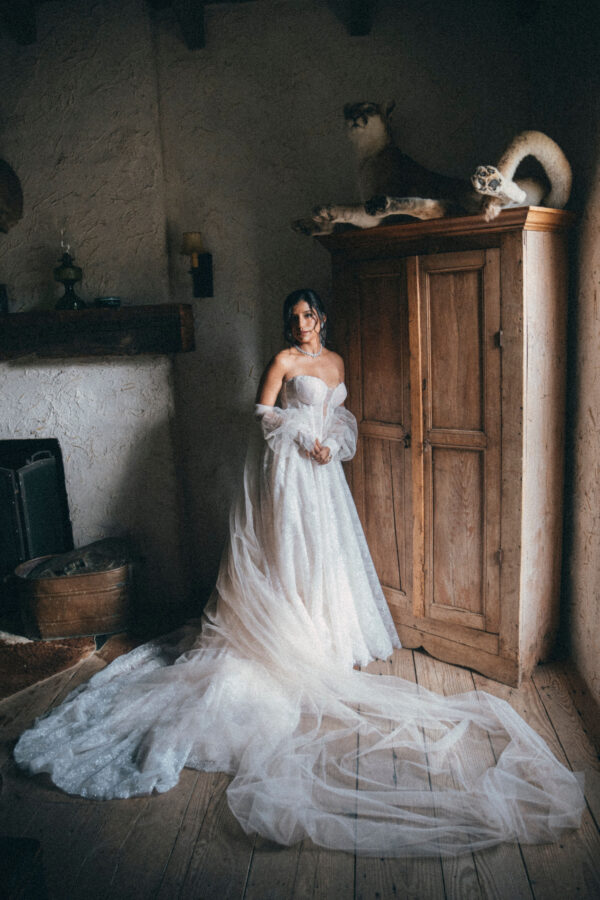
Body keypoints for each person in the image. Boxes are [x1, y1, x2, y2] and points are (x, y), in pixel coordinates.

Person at [14, 289, 584, 857]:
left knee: (327, 549)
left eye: (307, 316)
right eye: (292, 318)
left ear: (322, 318)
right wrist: (301, 439)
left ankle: (326, 630)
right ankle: (288, 632)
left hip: (322, 474)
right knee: (289, 548)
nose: (300, 325)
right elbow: (262, 416)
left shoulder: (335, 363)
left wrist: (331, 443)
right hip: (287, 470)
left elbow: (340, 415)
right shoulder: (283, 362)